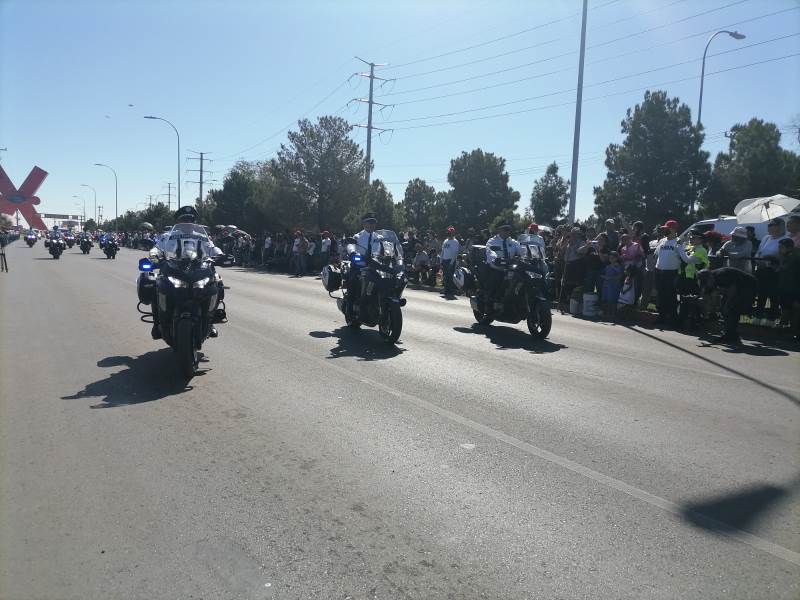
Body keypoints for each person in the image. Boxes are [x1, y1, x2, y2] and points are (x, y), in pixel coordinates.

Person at [150, 206, 225, 339]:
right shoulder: (168, 236)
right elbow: (157, 248)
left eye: (190, 219)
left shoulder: (202, 237)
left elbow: (213, 248)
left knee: (217, 281)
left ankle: (210, 320)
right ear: (178, 221)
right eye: (184, 219)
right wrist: (154, 255)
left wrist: (220, 255)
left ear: (195, 221)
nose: (188, 222)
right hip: (174, 267)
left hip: (199, 268)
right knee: (157, 285)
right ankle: (157, 323)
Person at [653, 219, 699, 327]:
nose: (665, 231)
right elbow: (656, 254)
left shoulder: (679, 242)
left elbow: (685, 259)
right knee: (661, 296)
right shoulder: (662, 241)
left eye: (667, 229)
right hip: (659, 271)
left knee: (671, 296)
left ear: (673, 229)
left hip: (671, 273)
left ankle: (673, 319)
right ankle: (661, 317)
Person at [698, 267, 758, 344]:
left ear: (710, 277)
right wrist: (702, 301)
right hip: (736, 288)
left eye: (707, 282)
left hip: (748, 285)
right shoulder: (708, 280)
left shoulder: (722, 275)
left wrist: (727, 304)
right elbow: (705, 293)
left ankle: (731, 335)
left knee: (731, 308)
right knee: (724, 309)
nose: (707, 284)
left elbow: (733, 290)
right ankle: (730, 334)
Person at [754, 218, 787, 320]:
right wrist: (758, 260)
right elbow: (759, 252)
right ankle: (758, 315)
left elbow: (783, 255)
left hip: (774, 271)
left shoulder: (785, 239)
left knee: (773, 295)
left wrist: (772, 260)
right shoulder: (766, 238)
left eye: (772, 225)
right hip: (762, 269)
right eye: (769, 225)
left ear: (779, 226)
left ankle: (772, 316)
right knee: (761, 293)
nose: (769, 227)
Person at [485, 223, 523, 308]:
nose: (507, 232)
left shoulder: (513, 242)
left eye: (508, 230)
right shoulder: (492, 241)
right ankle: (489, 307)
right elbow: (490, 252)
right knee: (496, 281)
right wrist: (496, 259)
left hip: (511, 268)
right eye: (505, 230)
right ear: (499, 230)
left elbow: (521, 252)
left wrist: (526, 255)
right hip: (497, 268)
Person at [776, 238, 800, 341]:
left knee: (795, 311)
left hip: (794, 289)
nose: (779, 249)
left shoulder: (795, 257)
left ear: (789, 247)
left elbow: (786, 269)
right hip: (785, 288)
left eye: (781, 247)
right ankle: (786, 331)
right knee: (785, 310)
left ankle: (795, 333)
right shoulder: (786, 256)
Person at [601, 251, 623, 318]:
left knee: (613, 300)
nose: (611, 259)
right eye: (610, 258)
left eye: (613, 258)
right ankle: (607, 313)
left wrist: (610, 278)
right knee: (607, 300)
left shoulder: (617, 266)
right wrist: (604, 277)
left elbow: (619, 276)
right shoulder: (608, 266)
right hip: (607, 285)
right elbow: (603, 274)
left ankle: (613, 314)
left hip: (614, 285)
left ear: (616, 258)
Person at [440, 226, 460, 296]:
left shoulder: (455, 242)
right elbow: (442, 251)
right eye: (448, 232)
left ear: (453, 233)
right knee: (445, 276)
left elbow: (455, 253)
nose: (448, 234)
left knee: (450, 276)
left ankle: (450, 290)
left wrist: (451, 263)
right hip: (444, 260)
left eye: (450, 233)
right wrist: (441, 260)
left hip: (450, 261)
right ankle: (446, 289)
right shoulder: (445, 241)